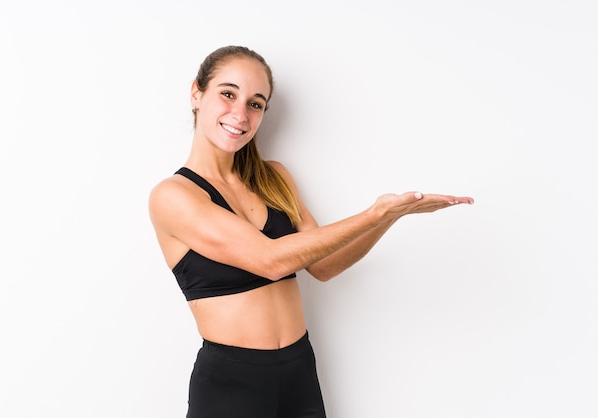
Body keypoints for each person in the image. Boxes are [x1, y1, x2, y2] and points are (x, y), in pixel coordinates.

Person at [148, 45, 474, 418]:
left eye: (256, 103)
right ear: (196, 93)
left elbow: (325, 265)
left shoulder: (273, 177)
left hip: (299, 371)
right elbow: (268, 261)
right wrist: (373, 213)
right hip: (231, 384)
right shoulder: (172, 196)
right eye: (227, 93)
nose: (240, 113)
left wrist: (391, 216)